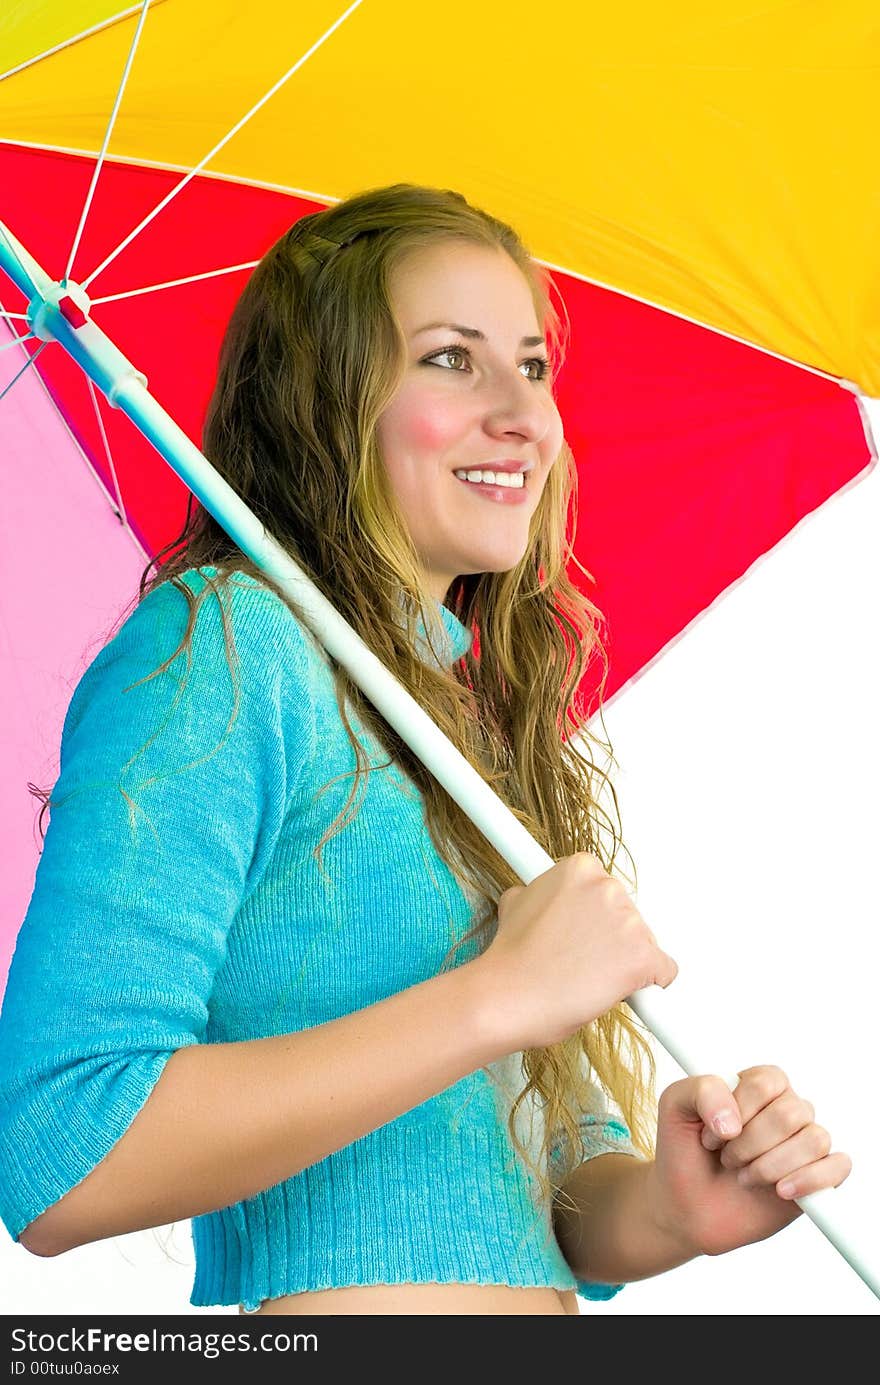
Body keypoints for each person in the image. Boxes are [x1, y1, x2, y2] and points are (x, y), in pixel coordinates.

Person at [0, 184, 851, 1317]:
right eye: (453, 359)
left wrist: (665, 1207)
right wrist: (495, 996)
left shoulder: (464, 726)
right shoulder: (227, 645)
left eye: (535, 364)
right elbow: (61, 1147)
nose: (524, 416)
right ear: (327, 400)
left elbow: (534, 1181)